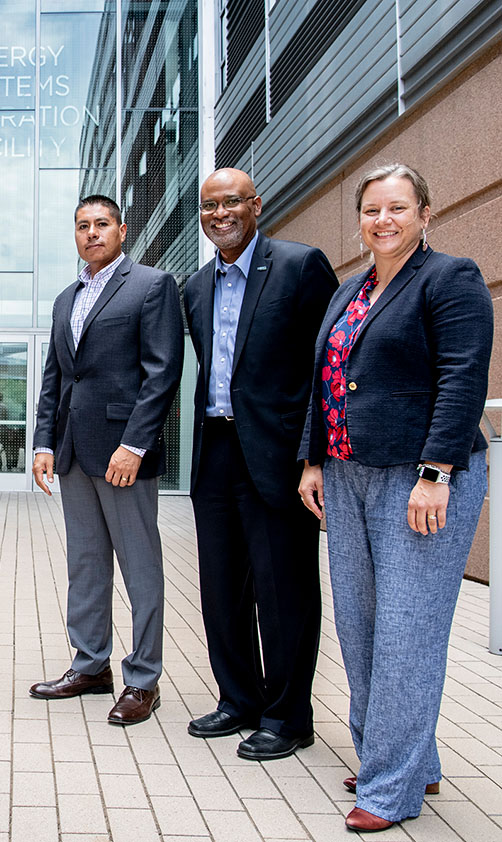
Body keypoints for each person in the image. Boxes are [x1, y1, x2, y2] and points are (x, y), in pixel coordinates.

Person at [299, 164, 493, 830]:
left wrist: (436, 471)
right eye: (372, 210)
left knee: (407, 635)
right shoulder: (349, 291)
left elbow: (463, 378)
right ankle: (407, 759)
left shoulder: (451, 279)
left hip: (419, 480)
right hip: (347, 474)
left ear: (426, 214)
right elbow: (323, 380)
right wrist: (312, 461)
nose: (383, 221)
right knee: (359, 626)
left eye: (398, 209)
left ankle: (389, 790)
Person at [184, 167, 338, 760]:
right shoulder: (195, 287)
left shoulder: (301, 267)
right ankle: (239, 699)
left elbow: (326, 372)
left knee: (284, 589)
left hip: (278, 458)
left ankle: (288, 716)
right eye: (208, 206)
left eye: (231, 202)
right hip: (216, 452)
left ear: (256, 204)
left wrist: (312, 456)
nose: (219, 213)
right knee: (221, 587)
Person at [30, 195, 184, 726]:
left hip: (124, 455)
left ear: (123, 230)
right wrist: (44, 443)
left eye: (101, 224)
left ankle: (143, 680)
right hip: (73, 451)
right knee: (86, 565)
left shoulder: (150, 285)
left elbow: (162, 373)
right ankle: (90, 666)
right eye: (82, 226)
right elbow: (56, 377)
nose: (91, 232)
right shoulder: (63, 299)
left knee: (140, 568)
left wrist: (136, 445)